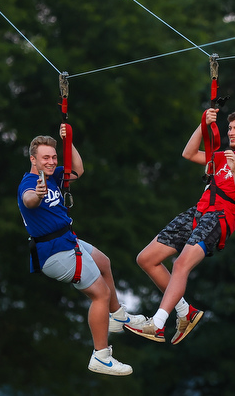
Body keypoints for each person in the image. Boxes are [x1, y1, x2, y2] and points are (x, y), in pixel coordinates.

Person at [124, 108, 235, 344]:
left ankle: (157, 324)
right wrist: (203, 125)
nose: (231, 132)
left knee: (181, 264)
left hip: (220, 217)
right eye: (229, 128)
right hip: (198, 212)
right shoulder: (221, 156)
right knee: (146, 258)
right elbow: (188, 153)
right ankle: (185, 312)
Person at [18, 124, 145, 376]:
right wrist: (39, 195)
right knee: (100, 294)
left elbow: (78, 169)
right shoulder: (30, 183)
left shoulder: (52, 174)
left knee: (104, 262)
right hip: (55, 253)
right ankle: (101, 355)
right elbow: (28, 199)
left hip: (67, 241)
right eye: (46, 158)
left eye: (54, 157)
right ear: (33, 159)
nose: (52, 161)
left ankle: (118, 316)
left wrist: (69, 141)